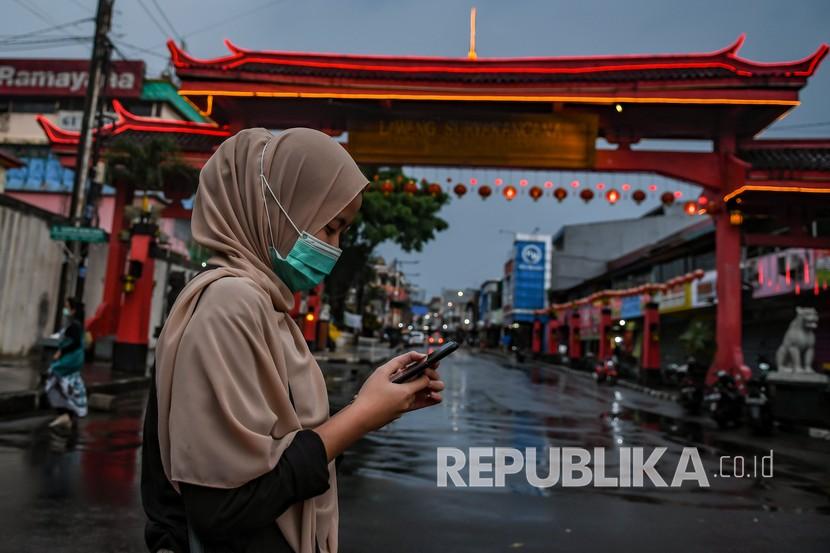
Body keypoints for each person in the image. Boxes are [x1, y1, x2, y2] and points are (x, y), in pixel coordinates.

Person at [141, 128, 444, 553]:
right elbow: (224, 508)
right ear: (277, 208)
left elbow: (280, 443)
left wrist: (369, 403)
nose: (334, 248)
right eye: (330, 226)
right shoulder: (231, 302)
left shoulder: (268, 307)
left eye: (343, 232)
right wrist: (360, 418)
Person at [44, 297, 88, 429]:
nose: (65, 310)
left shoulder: (75, 325)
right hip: (75, 359)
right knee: (67, 382)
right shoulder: (77, 324)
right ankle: (68, 413)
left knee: (55, 378)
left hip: (71, 359)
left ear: (73, 310)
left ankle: (66, 413)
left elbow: (73, 343)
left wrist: (61, 352)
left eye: (67, 307)